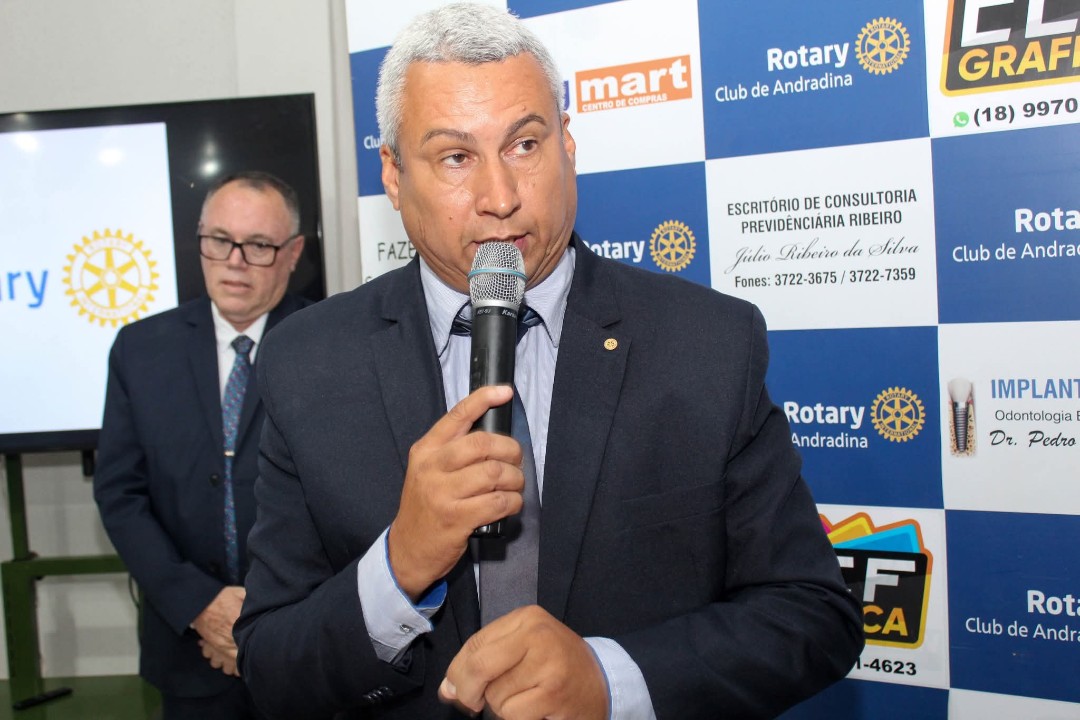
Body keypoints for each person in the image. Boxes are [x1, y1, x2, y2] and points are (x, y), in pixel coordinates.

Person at [235, 4, 863, 719]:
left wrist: (610, 681)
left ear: (567, 143)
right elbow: (272, 666)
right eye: (455, 157)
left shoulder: (710, 344)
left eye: (525, 145)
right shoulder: (307, 363)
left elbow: (814, 616)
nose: (500, 198)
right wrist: (399, 566)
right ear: (394, 175)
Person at [94, 171, 309, 719]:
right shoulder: (141, 349)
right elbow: (120, 495)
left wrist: (261, 618)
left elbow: (351, 495)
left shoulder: (330, 343)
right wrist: (202, 606)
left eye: (257, 245)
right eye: (219, 240)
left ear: (292, 253)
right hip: (187, 650)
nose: (235, 261)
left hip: (304, 645)